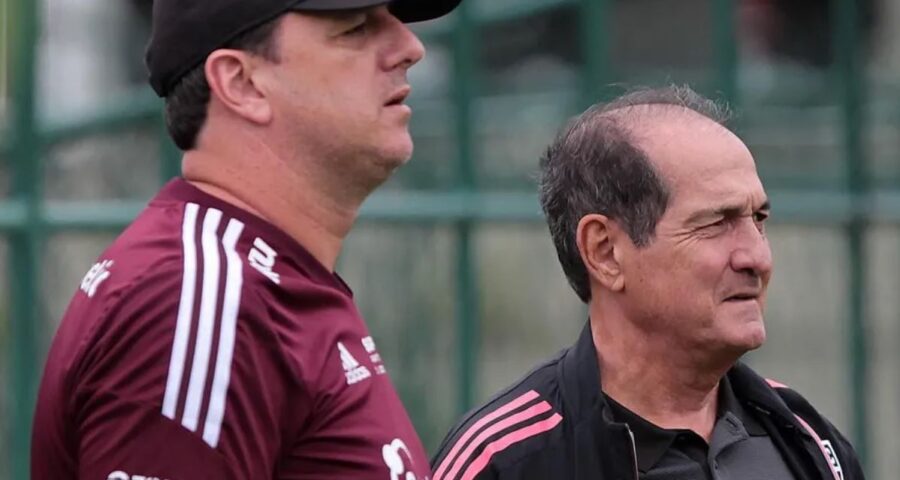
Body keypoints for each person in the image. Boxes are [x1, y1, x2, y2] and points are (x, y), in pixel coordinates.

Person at [31, 0, 461, 478]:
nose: (410, 47)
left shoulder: (258, 280)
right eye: (355, 29)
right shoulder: (195, 300)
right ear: (241, 83)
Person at [431, 86, 865, 480]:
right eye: (716, 223)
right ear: (605, 252)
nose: (758, 258)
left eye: (759, 220)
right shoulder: (502, 463)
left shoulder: (805, 439)